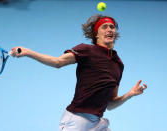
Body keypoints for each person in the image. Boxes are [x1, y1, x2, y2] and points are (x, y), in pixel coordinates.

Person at [11, 14, 147, 131]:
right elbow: (58, 62)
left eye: (112, 27)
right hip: (76, 121)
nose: (109, 29)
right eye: (104, 27)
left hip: (97, 123)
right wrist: (28, 52)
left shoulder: (118, 64)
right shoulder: (86, 50)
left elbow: (110, 104)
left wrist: (130, 94)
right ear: (96, 34)